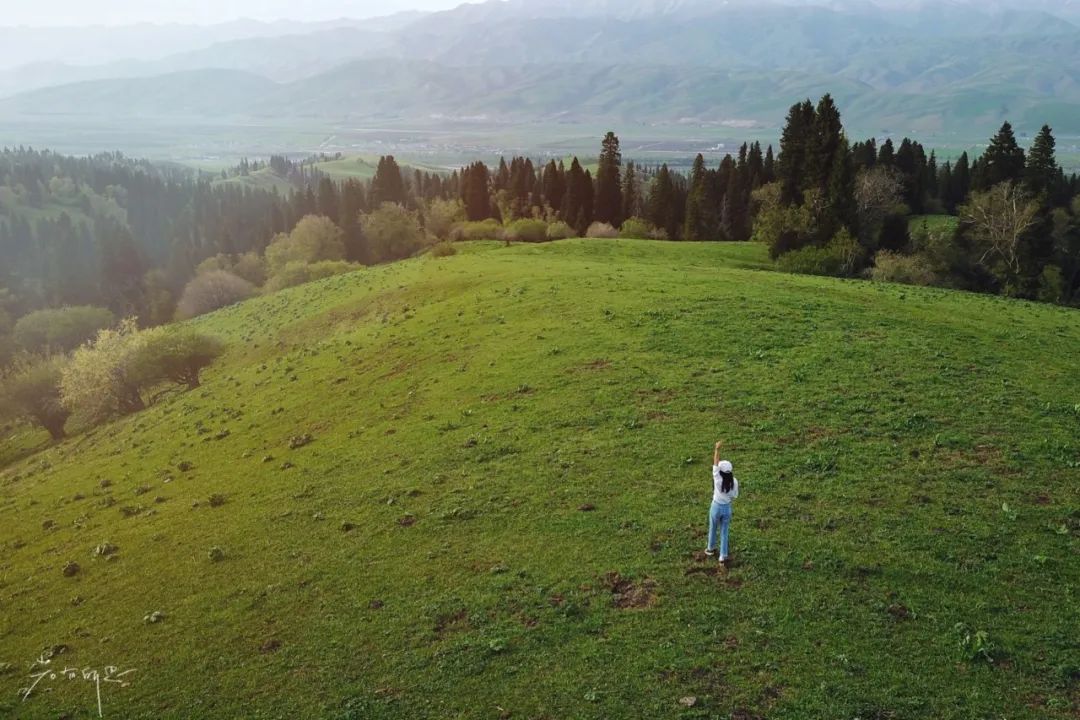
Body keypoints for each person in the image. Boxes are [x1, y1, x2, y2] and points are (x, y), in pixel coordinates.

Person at [706, 440, 739, 563]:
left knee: (713, 527)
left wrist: (717, 449)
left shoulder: (717, 478)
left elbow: (715, 464)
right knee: (724, 531)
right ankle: (723, 556)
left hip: (715, 506)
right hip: (726, 508)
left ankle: (710, 549)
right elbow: (734, 495)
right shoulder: (734, 482)